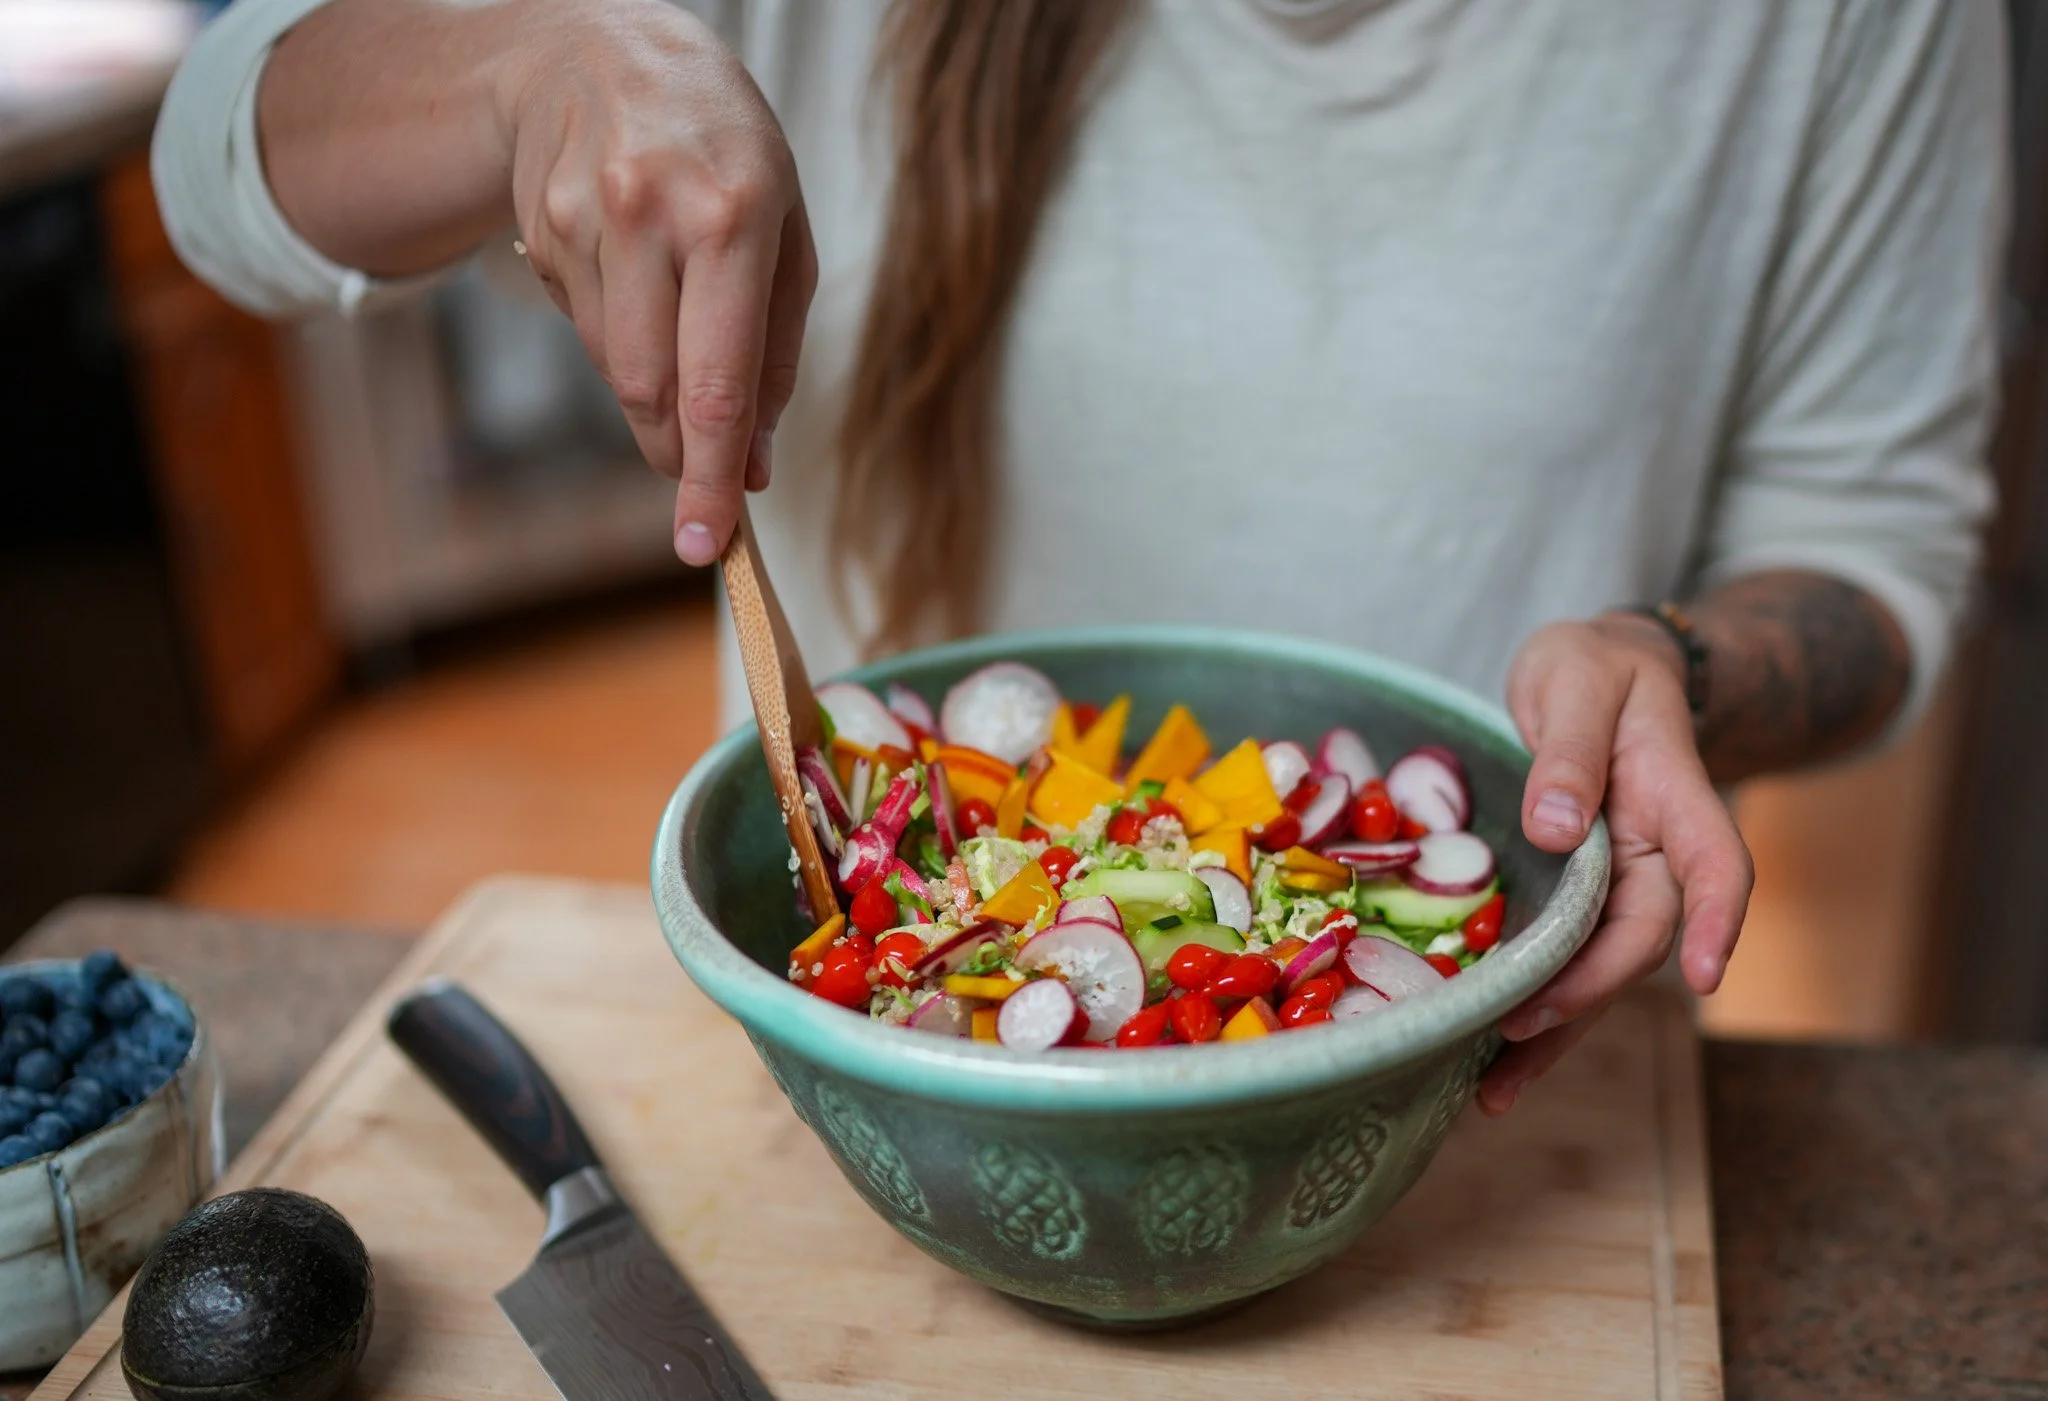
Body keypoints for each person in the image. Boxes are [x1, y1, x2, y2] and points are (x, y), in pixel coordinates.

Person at [152, 0, 2006, 1112]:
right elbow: (216, 164)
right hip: (873, 1077)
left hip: (1489, 1101)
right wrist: (527, 71)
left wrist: (1681, 665)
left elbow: (1869, 544)